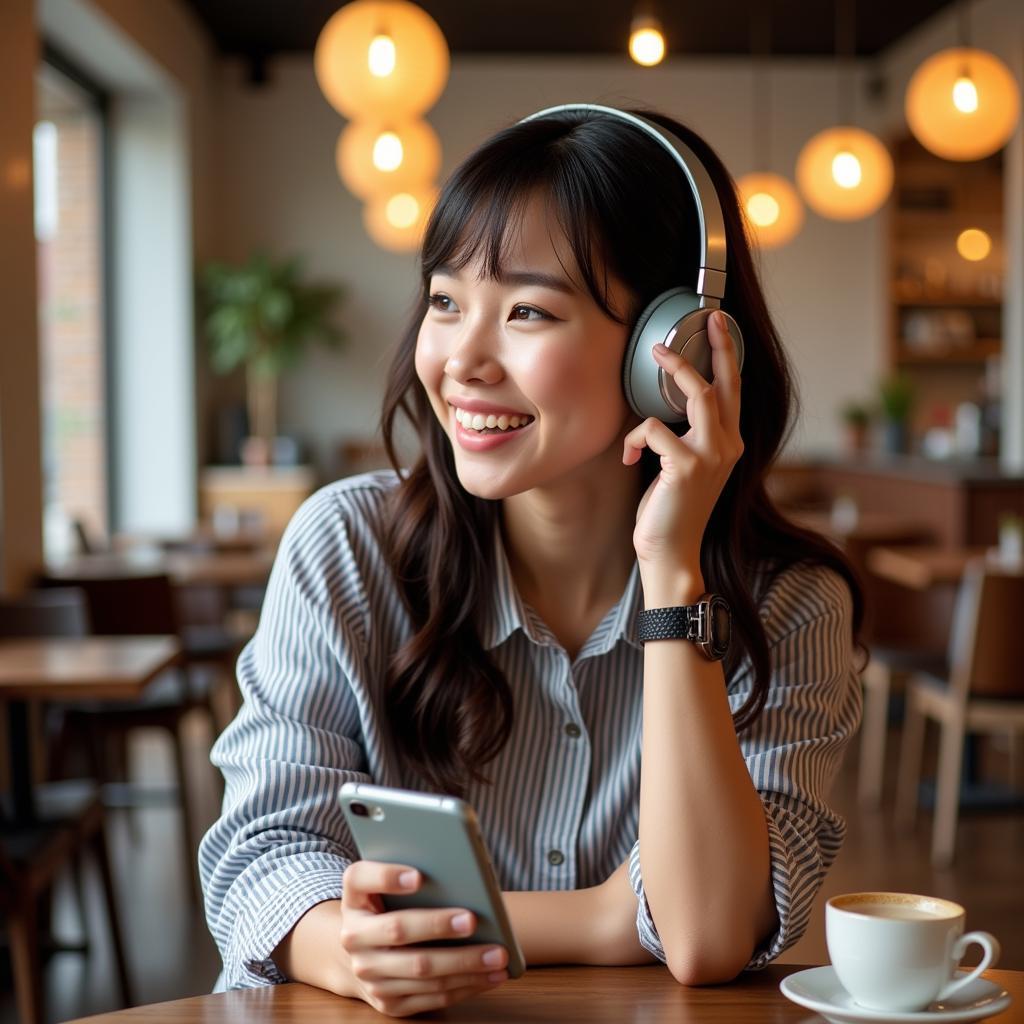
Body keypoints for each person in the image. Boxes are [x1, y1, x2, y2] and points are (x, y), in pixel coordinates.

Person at [199, 105, 864, 1017]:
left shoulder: (789, 607)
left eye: (526, 310)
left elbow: (706, 932)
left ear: (669, 353)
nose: (461, 360)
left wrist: (672, 576)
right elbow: (263, 857)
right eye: (443, 301)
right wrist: (349, 946)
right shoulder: (345, 548)